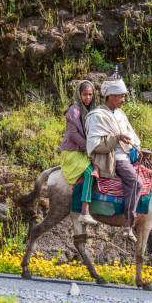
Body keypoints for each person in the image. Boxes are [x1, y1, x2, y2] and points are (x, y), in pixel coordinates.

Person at [85, 70, 141, 241]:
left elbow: (132, 135)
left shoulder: (121, 114)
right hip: (114, 158)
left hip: (127, 154)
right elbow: (95, 144)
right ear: (110, 96)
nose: (124, 100)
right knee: (135, 181)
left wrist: (138, 147)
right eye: (121, 97)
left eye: (124, 96)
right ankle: (128, 224)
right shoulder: (97, 116)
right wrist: (116, 139)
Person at [59, 81, 98, 225]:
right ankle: (84, 211)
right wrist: (89, 146)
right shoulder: (74, 110)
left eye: (90, 94)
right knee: (89, 172)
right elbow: (72, 135)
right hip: (72, 151)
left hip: (82, 150)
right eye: (85, 94)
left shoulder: (90, 110)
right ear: (79, 95)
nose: (88, 97)